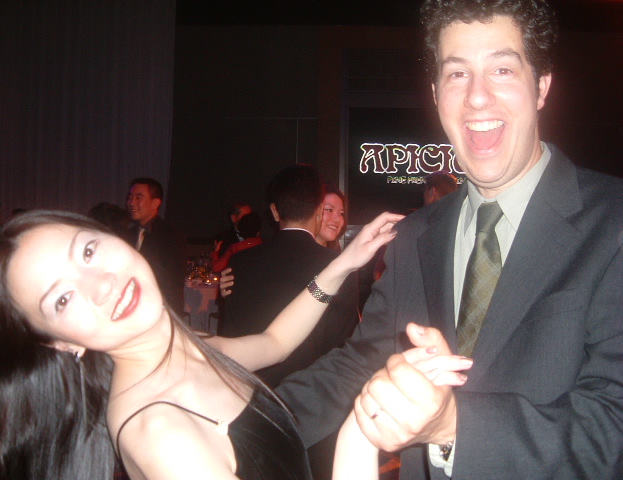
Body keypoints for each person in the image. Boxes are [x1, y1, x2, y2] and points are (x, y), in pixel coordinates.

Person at [276, 1, 623, 479]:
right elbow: (360, 364)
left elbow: (612, 423)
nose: (477, 97)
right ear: (437, 93)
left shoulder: (612, 222)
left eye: (502, 69)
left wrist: (454, 426)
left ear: (542, 86)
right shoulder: (414, 236)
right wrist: (243, 428)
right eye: (458, 74)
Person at [0, 208, 402, 480]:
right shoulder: (159, 432)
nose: (103, 284)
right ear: (60, 343)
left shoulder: (184, 347)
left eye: (88, 251)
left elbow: (273, 342)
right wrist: (360, 434)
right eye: (62, 299)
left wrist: (344, 263)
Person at [221, 165, 361, 388]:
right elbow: (341, 348)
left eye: (341, 213)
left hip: (251, 391)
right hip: (309, 393)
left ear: (275, 212)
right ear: (319, 211)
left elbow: (229, 338)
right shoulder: (339, 268)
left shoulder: (240, 262)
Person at [126, 178, 187, 315]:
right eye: (130, 197)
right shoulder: (128, 234)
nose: (132, 203)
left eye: (138, 197)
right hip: (133, 309)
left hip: (158, 309)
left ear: (155, 203)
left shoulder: (170, 235)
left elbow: (173, 281)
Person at [315, 184, 346, 251]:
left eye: (341, 213)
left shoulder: (337, 255)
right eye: (329, 210)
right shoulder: (296, 252)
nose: (337, 219)